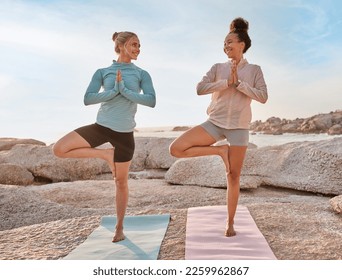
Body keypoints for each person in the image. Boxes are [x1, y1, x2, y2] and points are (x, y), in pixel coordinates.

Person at [53, 31, 156, 242]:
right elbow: (88, 98)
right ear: (122, 45)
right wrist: (113, 92)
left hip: (125, 133)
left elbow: (151, 100)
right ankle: (105, 154)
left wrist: (125, 91)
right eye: (134, 44)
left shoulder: (142, 74)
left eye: (139, 45)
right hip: (101, 126)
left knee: (120, 182)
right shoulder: (103, 72)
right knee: (59, 149)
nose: (138, 49)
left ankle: (119, 228)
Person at [169, 18, 267, 237]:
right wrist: (226, 83)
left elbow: (263, 97)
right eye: (224, 43)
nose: (226, 46)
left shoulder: (254, 70)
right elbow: (200, 88)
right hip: (214, 123)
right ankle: (219, 150)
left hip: (239, 127)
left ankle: (230, 223)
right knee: (176, 149)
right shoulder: (217, 68)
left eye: (230, 41)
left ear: (242, 44)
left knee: (233, 176)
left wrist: (240, 85)